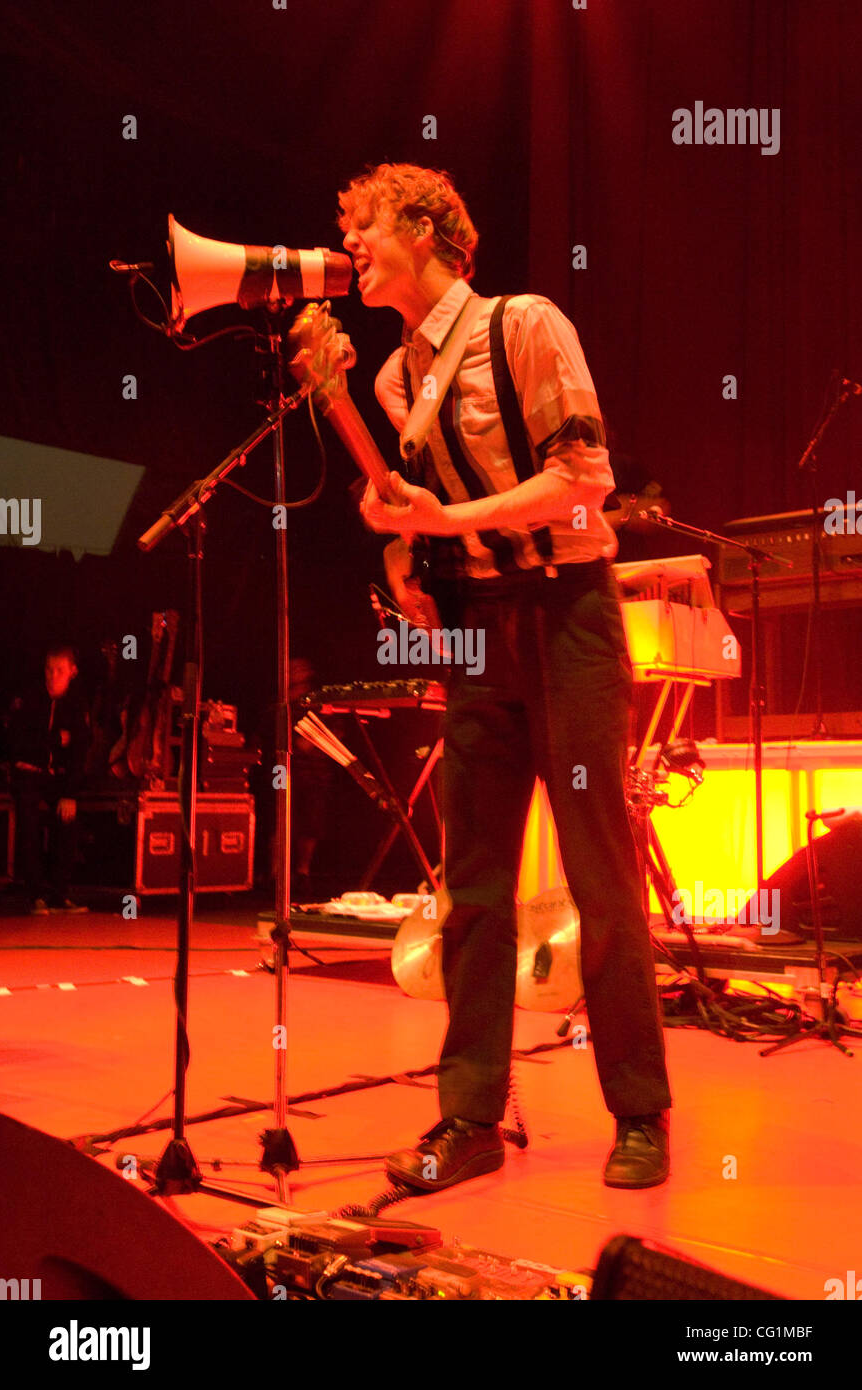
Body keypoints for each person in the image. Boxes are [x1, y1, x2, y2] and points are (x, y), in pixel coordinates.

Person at [338, 163, 672, 1191]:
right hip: (478, 634)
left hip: (567, 619)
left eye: (364, 227)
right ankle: (469, 1116)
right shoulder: (393, 380)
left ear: (429, 230)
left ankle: (639, 1110)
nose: (349, 245)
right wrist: (402, 556)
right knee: (472, 884)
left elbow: (583, 484)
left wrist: (448, 522)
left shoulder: (524, 324)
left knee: (596, 870)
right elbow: (418, 516)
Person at [9, 645, 90, 914]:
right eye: (49, 669)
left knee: (69, 819)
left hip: (56, 778)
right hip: (27, 773)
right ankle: (35, 895)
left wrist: (71, 794)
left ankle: (59, 893)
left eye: (59, 670)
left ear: (72, 672)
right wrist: (56, 740)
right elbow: (17, 742)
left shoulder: (77, 706)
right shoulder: (30, 699)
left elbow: (79, 751)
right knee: (28, 820)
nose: (52, 675)